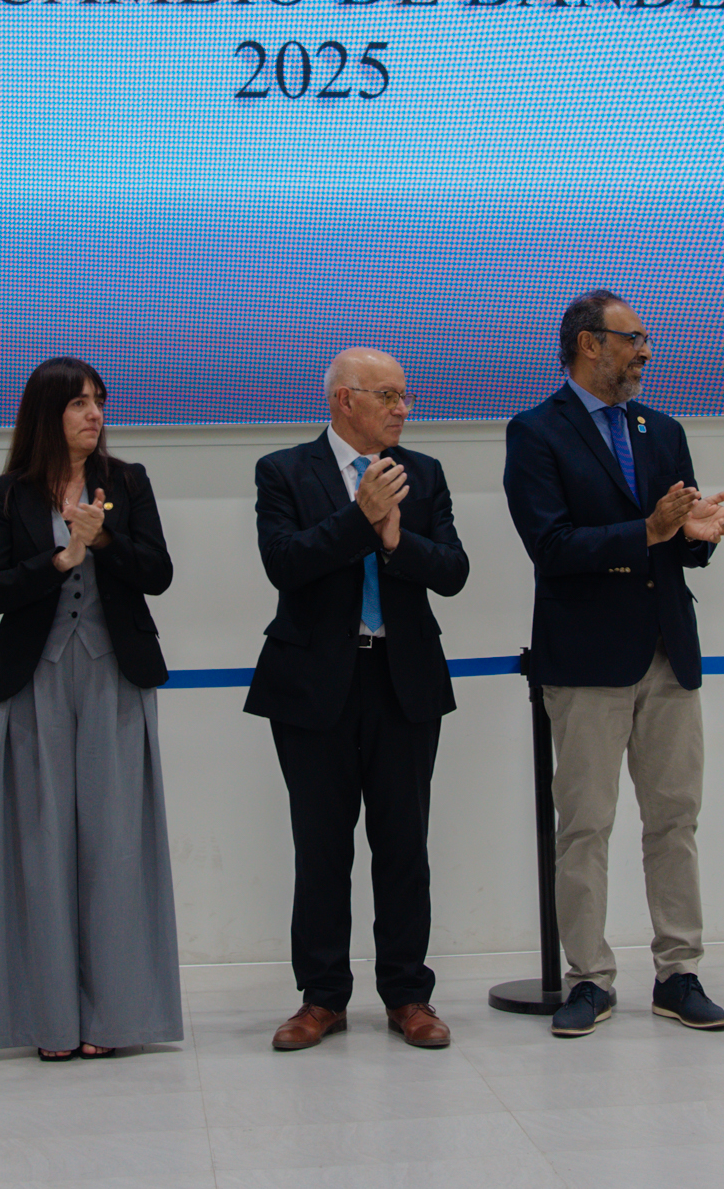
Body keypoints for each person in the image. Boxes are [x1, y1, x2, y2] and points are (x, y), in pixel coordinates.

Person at [502, 291, 724, 1038]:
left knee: (674, 819)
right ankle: (589, 979)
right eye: (632, 338)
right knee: (586, 825)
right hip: (585, 660)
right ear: (586, 344)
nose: (645, 351)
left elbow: (677, 539)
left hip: (667, 650)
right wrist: (649, 529)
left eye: (645, 338)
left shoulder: (661, 428)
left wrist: (700, 533)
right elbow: (552, 546)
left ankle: (679, 971)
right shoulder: (536, 432)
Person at [248, 349, 471, 1051]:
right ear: (345, 400)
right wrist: (359, 519)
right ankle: (321, 997)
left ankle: (409, 993)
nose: (403, 408)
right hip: (313, 685)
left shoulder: (425, 474)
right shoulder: (284, 470)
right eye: (388, 396)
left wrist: (397, 537)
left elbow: (455, 570)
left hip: (403, 679)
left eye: (406, 396)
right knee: (321, 846)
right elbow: (285, 562)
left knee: (404, 843)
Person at [0, 357, 185, 1060]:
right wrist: (60, 560)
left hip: (114, 673)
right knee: (41, 845)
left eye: (99, 400)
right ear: (46, 412)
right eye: (78, 403)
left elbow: (158, 571)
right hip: (37, 679)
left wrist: (104, 540)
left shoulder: (128, 481)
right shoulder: (9, 492)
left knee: (116, 847)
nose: (94, 413)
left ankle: (114, 1018)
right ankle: (49, 1021)